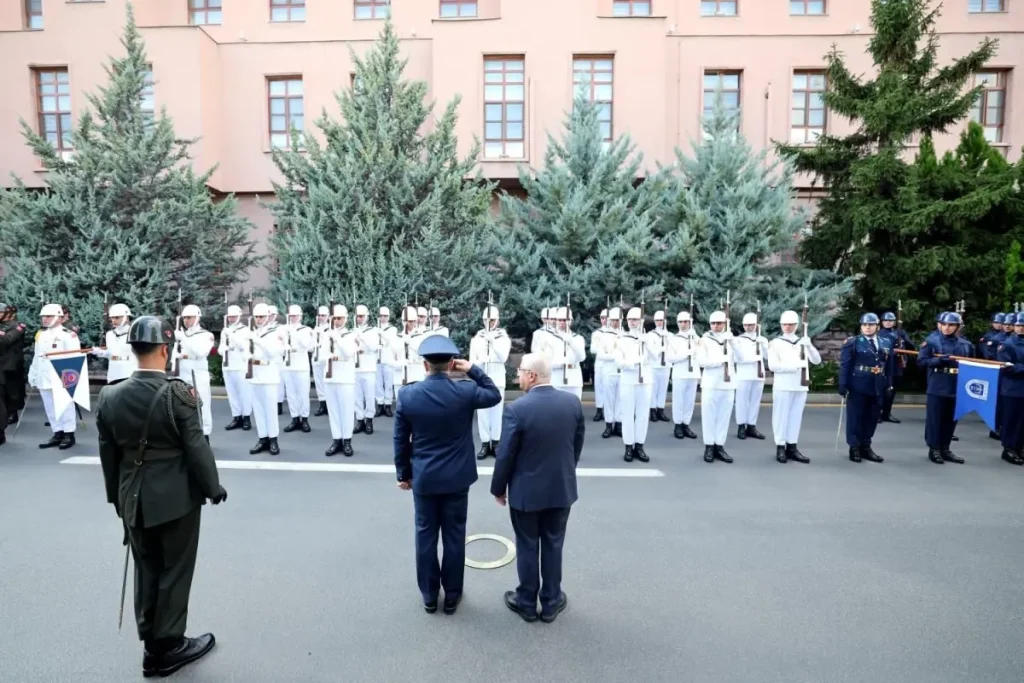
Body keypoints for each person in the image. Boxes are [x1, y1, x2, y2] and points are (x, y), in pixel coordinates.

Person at [95, 315, 226, 678]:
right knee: (175, 569)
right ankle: (168, 646)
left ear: (132, 350)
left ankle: (151, 640)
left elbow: (109, 456)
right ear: (166, 349)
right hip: (175, 498)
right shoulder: (178, 393)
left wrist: (116, 498)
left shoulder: (110, 394)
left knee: (147, 568)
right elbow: (197, 447)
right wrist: (213, 489)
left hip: (131, 496)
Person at [393, 335, 502, 615]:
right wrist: (472, 369)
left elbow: (400, 439)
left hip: (425, 477)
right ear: (452, 362)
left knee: (425, 536)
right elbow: (494, 394)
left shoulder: (408, 394)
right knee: (454, 536)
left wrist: (404, 473)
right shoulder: (465, 391)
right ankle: (452, 595)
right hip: (456, 478)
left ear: (425, 364)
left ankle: (430, 596)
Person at [491, 353, 583, 624]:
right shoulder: (572, 403)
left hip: (525, 492)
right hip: (560, 488)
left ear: (531, 375)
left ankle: (527, 602)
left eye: (519, 371)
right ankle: (552, 601)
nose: (516, 376)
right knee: (554, 544)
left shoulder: (517, 409)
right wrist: (565, 472)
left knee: (528, 545)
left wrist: (498, 488)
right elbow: (575, 447)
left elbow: (505, 454)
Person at [838, 313, 894, 463]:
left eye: (870, 325)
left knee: (872, 417)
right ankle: (854, 447)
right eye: (864, 325)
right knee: (856, 417)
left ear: (877, 326)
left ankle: (866, 446)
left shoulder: (886, 342)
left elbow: (888, 366)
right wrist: (843, 383)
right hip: (858, 384)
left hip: (877, 384)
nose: (867, 327)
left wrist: (889, 384)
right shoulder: (853, 342)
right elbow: (845, 365)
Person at [767, 310, 821, 463]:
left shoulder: (802, 341)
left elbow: (816, 360)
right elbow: (773, 366)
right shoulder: (775, 343)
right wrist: (795, 366)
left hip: (800, 385)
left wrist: (809, 346)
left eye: (791, 324)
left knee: (795, 418)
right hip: (783, 385)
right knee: (780, 417)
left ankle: (792, 447)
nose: (788, 327)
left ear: (797, 325)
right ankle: (780, 446)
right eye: (785, 324)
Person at [28, 303, 81, 450]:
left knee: (65, 406)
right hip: (44, 375)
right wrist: (33, 373)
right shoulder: (42, 335)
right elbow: (36, 357)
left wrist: (69, 379)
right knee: (49, 406)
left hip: (60, 375)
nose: (44, 319)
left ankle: (69, 434)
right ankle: (57, 432)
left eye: (49, 316)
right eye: (43, 316)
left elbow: (74, 358)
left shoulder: (68, 335)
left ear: (58, 317)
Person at [469, 304, 511, 459]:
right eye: (486, 319)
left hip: (497, 377)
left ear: (498, 320)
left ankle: (496, 442)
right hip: (481, 378)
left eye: (492, 319)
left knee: (496, 412)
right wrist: (481, 361)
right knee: (483, 414)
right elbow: (472, 361)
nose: (489, 322)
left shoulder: (503, 338)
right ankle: (485, 443)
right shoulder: (477, 338)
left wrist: (492, 342)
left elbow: (503, 357)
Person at [697, 310, 735, 463]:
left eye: (719, 323)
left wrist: (732, 342)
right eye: (713, 323)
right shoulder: (704, 340)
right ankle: (709, 447)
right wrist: (720, 360)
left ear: (725, 324)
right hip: (711, 383)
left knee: (723, 417)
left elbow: (742, 358)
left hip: (727, 384)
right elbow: (702, 362)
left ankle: (719, 446)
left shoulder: (730, 339)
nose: (716, 326)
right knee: (709, 417)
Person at [995, 312, 1024, 465]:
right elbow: (1006, 367)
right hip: (1013, 389)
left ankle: (1019, 447)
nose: (1021, 329)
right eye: (1019, 325)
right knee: (1011, 420)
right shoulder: (1007, 344)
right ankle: (1009, 449)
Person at [0, 303, 28, 445]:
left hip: (11, 364)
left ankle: (12, 413)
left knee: (12, 392)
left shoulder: (17, 326)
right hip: (1, 364)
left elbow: (8, 340)